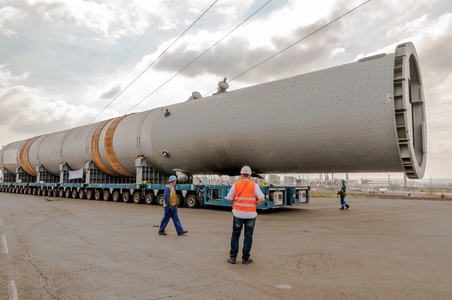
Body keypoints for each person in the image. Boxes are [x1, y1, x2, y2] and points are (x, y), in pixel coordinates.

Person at [225, 166, 265, 264]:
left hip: (238, 214)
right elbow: (262, 199)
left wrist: (236, 200)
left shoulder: (236, 184)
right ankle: (245, 258)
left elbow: (229, 198)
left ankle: (233, 257)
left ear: (241, 175)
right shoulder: (254, 185)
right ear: (250, 175)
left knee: (235, 235)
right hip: (251, 215)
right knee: (248, 236)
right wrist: (255, 203)